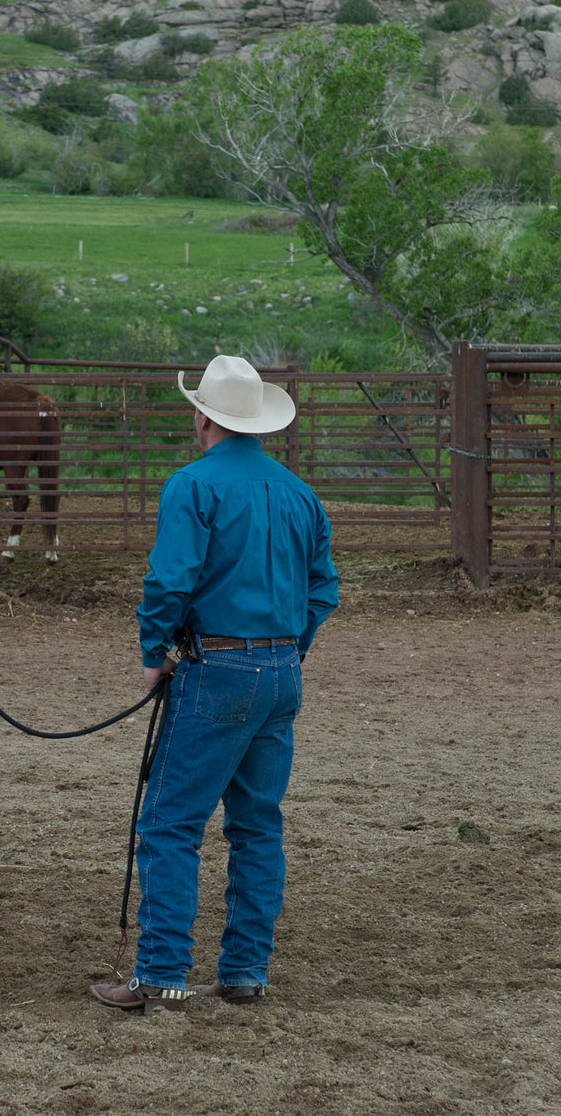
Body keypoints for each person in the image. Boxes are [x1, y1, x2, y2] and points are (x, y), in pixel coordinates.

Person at [91, 354, 339, 1014]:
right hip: (282, 672)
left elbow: (168, 582)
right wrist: (292, 646)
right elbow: (323, 588)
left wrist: (155, 651)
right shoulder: (299, 494)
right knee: (257, 826)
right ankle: (244, 973)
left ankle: (162, 974)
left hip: (216, 670)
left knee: (170, 823)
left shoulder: (191, 486)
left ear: (202, 416)